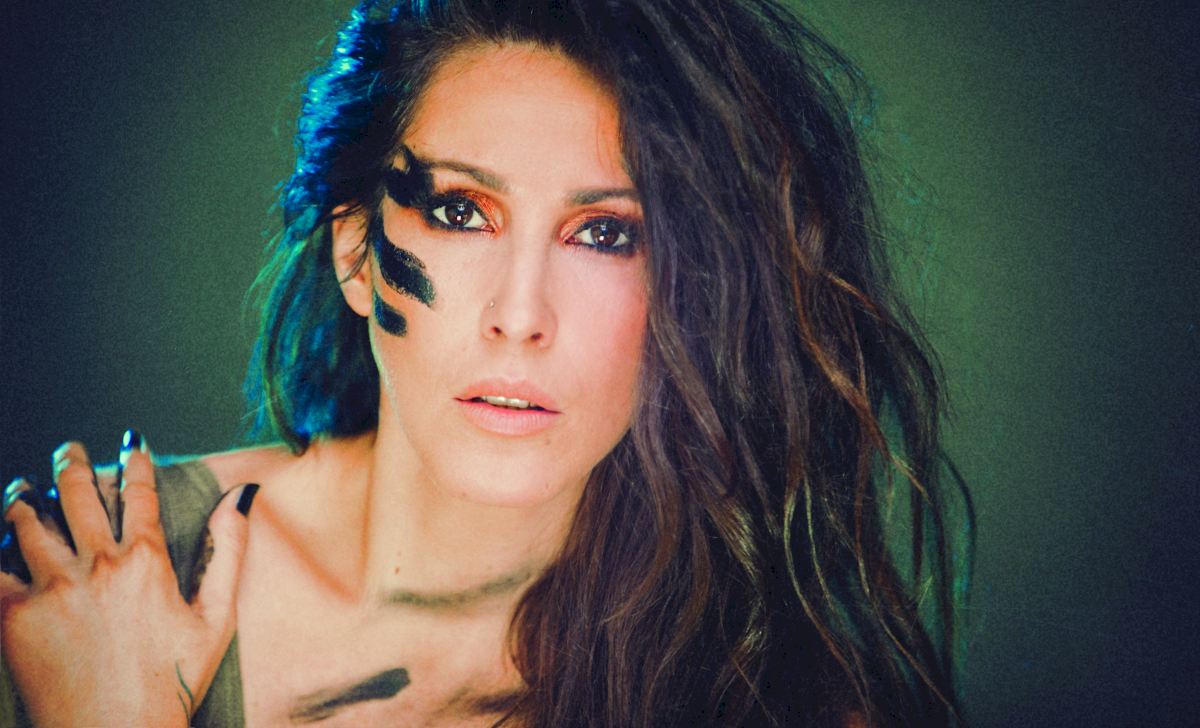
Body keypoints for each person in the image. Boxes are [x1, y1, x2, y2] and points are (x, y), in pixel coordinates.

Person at [1, 0, 973, 725]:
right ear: (355, 251)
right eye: (462, 212)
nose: (520, 316)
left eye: (606, 234)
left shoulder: (766, 699)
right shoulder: (79, 593)